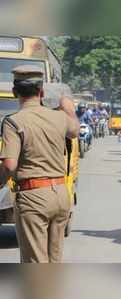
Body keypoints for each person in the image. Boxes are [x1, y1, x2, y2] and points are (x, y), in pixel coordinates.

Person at [0, 65, 80, 263]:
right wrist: (69, 109)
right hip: (61, 195)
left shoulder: (13, 122)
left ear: (14, 92)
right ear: (41, 92)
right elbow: (75, 131)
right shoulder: (60, 117)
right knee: (54, 260)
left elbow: (10, 165)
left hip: (33, 197)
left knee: (35, 263)